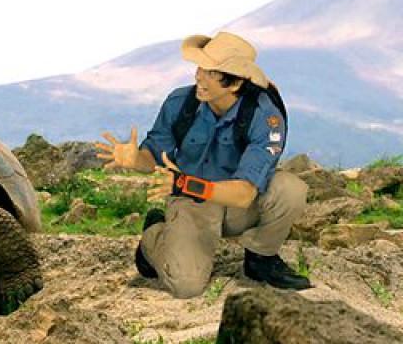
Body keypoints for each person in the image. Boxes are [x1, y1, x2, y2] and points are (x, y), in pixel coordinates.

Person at [96, 31, 311, 298]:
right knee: (186, 286)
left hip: (237, 204)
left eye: (210, 72)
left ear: (233, 84)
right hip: (192, 204)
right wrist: (135, 159)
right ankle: (153, 236)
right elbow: (153, 156)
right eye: (200, 68)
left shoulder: (265, 116)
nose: (198, 76)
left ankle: (260, 258)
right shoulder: (180, 103)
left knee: (290, 190)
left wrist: (184, 182)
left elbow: (244, 194)